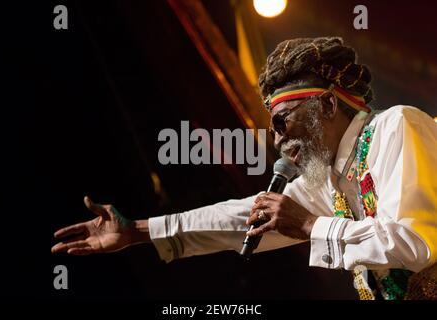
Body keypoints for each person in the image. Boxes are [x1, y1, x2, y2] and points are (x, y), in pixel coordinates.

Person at [51, 37, 437, 300]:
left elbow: (416, 244)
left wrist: (308, 225)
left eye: (283, 120)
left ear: (329, 106)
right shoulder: (331, 181)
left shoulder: (396, 126)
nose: (278, 139)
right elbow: (241, 217)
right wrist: (137, 232)